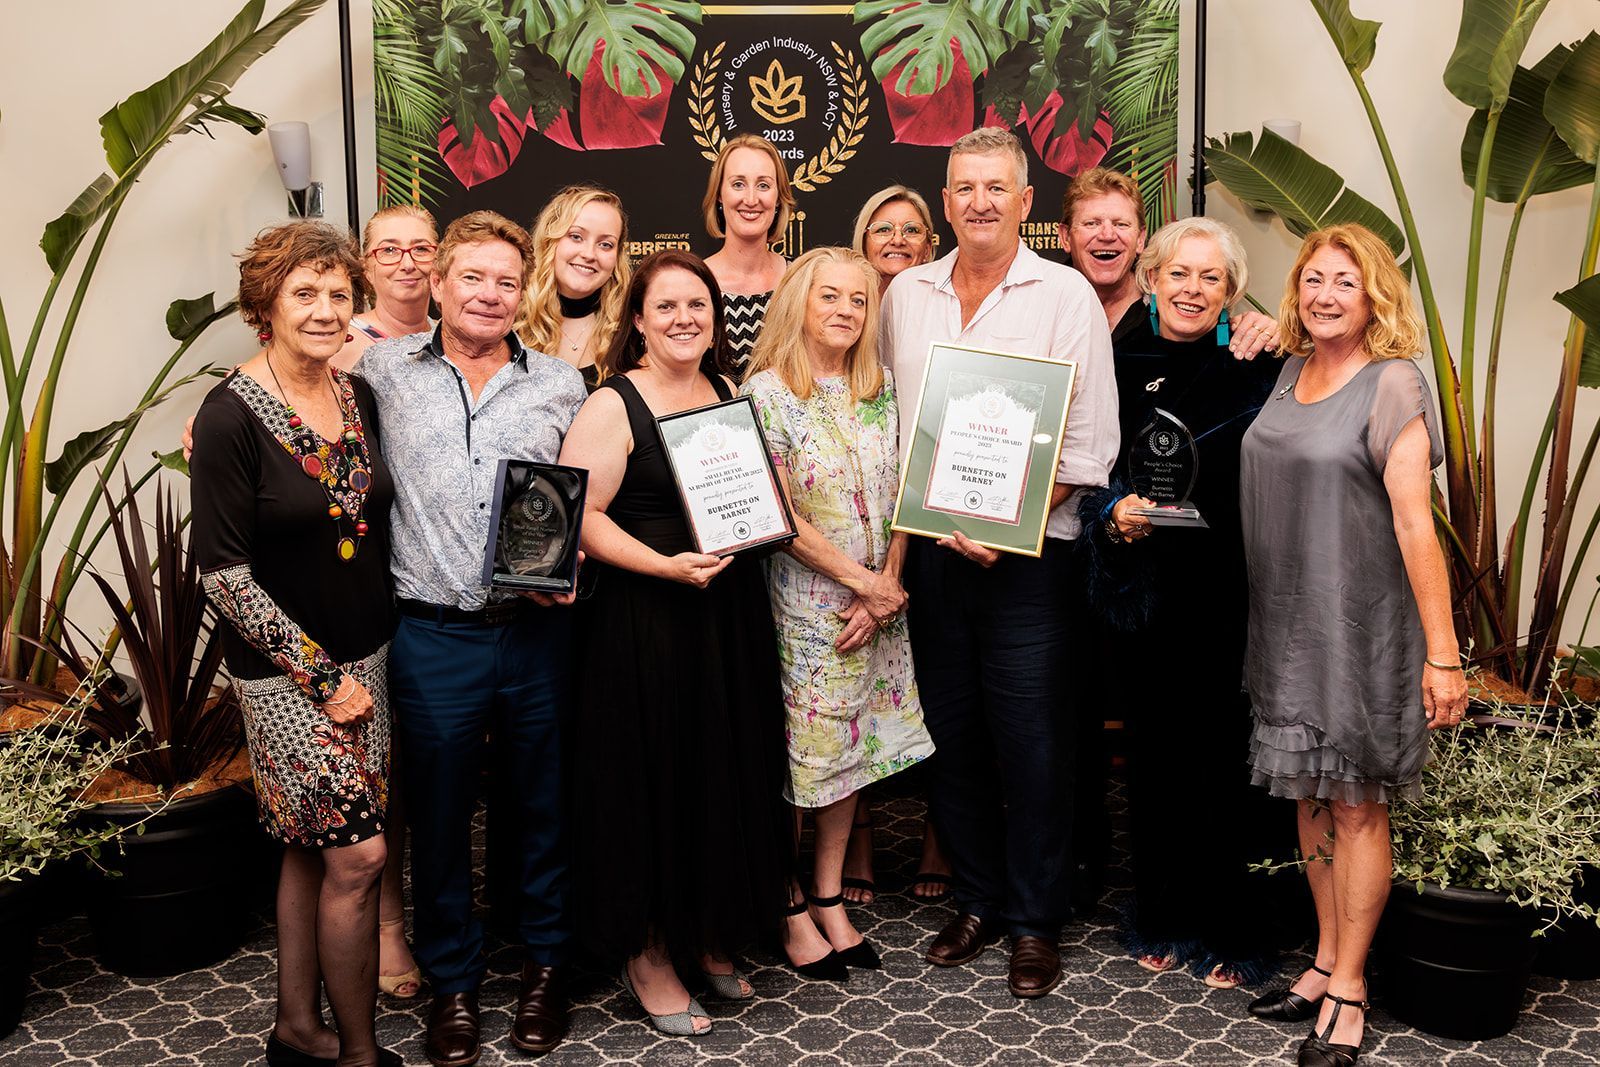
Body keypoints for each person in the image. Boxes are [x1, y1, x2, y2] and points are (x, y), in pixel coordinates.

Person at [880, 127, 1118, 999]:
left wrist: (1011, 518)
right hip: (936, 557)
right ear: (945, 203)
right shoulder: (906, 292)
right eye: (963, 187)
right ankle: (977, 898)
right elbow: (895, 425)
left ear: (1025, 204)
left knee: (1036, 745)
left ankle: (1034, 920)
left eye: (997, 188)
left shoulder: (1064, 297)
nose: (979, 201)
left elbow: (1089, 451)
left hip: (1027, 565)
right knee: (954, 738)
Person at [362, 211, 588, 1065]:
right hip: (431, 636)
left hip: (533, 632)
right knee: (442, 815)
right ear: (440, 283)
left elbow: (582, 501)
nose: (488, 294)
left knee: (542, 805)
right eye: (472, 278)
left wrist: (571, 574)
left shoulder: (561, 383)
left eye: (505, 280)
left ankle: (543, 970)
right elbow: (286, 380)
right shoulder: (381, 367)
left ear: (520, 288)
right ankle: (453, 985)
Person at [1238, 224, 1467, 1067]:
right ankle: (1323, 956)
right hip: (1287, 625)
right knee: (1308, 796)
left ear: (1375, 296)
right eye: (1313, 280)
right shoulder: (1292, 371)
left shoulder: (1393, 383)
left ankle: (1352, 986)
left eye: (1345, 281)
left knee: (1358, 804)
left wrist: (1443, 654)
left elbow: (1415, 522)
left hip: (1361, 628)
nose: (1326, 295)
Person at [559, 250, 791, 1037]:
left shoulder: (727, 391)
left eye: (699, 305)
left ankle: (706, 934)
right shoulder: (612, 406)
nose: (685, 318)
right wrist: (664, 565)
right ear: (637, 321)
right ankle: (649, 952)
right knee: (650, 783)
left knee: (716, 774)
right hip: (644, 621)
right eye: (667, 308)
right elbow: (579, 518)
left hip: (724, 619)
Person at [190, 221, 400, 1067]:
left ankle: (295, 1029)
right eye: (303, 293)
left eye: (337, 293)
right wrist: (321, 678)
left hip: (371, 657)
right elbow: (225, 576)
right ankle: (357, 1051)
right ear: (265, 305)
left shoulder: (357, 395)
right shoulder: (229, 414)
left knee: (312, 850)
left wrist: (358, 671)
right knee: (361, 855)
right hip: (289, 680)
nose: (323, 309)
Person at [1057, 166, 1282, 914]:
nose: (1192, 287)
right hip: (1142, 588)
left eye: (1210, 278)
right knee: (1150, 749)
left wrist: (1280, 329)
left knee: (1220, 749)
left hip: (1226, 588)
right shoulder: (1115, 359)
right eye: (1178, 272)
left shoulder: (1260, 365)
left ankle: (1223, 918)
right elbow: (1096, 461)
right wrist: (1114, 508)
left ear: (1231, 293)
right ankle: (1157, 910)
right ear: (1153, 279)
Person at [741, 247, 936, 972]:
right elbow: (780, 512)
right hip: (807, 607)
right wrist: (863, 582)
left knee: (851, 755)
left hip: (879, 603)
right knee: (802, 760)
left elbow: (907, 490)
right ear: (799, 301)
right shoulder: (766, 391)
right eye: (830, 296)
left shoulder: (880, 387)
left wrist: (886, 585)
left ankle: (829, 894)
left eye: (858, 299)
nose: (845, 310)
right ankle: (787, 899)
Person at [837, 185, 951, 907]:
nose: (899, 239)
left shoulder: (938, 313)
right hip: (849, 536)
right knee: (850, 692)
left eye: (913, 229)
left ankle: (942, 839)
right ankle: (857, 846)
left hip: (930, 527)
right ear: (862, 239)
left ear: (930, 244)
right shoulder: (839, 310)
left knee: (941, 690)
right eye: (884, 228)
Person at [515, 184, 631, 390]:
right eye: (576, 237)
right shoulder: (511, 321)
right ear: (550, 242)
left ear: (617, 257)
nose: (589, 254)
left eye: (605, 244)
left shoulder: (630, 332)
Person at [703, 133, 794, 375]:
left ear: (778, 198)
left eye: (763, 185)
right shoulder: (696, 282)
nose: (751, 199)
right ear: (720, 194)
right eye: (738, 184)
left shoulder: (801, 280)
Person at [344, 205, 439, 368]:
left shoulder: (450, 338)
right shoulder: (342, 342)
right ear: (366, 267)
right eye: (389, 250)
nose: (408, 264)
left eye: (421, 249)